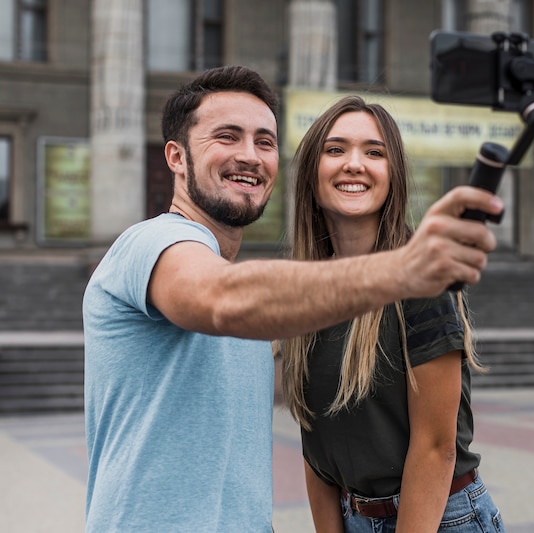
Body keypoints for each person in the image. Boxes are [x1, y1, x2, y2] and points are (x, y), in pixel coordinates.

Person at [82, 67, 503, 533]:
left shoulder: (285, 299)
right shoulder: (150, 244)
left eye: (264, 142)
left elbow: (432, 445)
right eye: (227, 136)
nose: (249, 156)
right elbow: (221, 300)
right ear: (177, 157)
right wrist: (406, 269)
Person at [281, 95, 505, 533]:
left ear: (393, 176)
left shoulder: (421, 281)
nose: (353, 163)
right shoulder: (301, 289)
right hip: (353, 516)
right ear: (311, 172)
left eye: (374, 152)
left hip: (439, 517)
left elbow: (436, 448)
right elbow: (316, 446)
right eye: (335, 149)